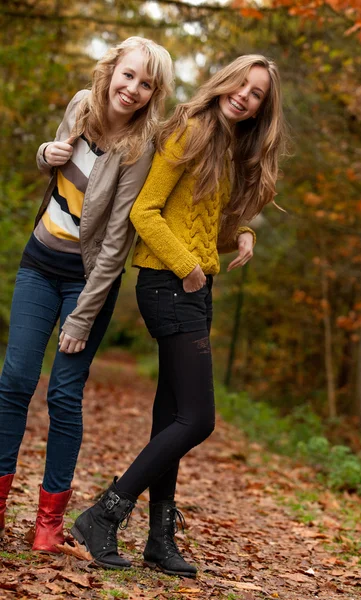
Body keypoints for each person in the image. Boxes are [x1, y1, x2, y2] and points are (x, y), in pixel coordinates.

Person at [71, 54, 285, 575]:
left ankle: (159, 541)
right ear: (225, 82)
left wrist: (244, 232)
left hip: (192, 286)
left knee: (172, 416)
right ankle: (103, 514)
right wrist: (189, 267)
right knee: (198, 418)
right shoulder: (190, 128)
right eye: (241, 84)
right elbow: (146, 211)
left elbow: (199, 219)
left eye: (256, 93)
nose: (245, 96)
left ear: (261, 108)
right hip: (170, 285)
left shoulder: (226, 142)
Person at [0, 36, 174, 554]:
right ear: (112, 69)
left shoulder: (140, 149)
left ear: (153, 94)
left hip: (87, 279)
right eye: (129, 75)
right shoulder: (80, 104)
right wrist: (43, 153)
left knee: (63, 396)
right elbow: (57, 166)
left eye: (147, 84)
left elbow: (116, 238)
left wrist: (83, 315)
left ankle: (48, 527)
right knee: (14, 382)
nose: (134, 89)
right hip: (38, 262)